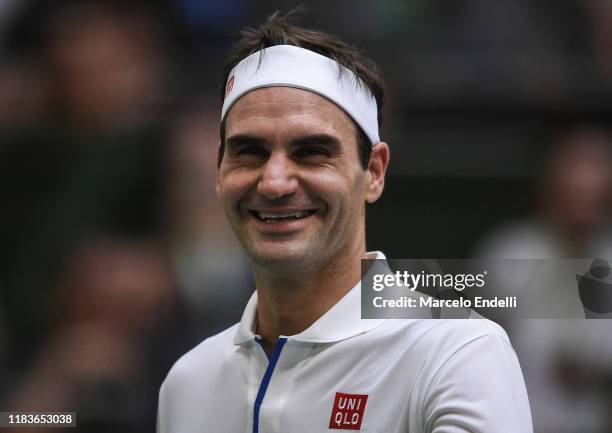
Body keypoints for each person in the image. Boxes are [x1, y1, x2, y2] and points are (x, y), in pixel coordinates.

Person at [157, 11, 533, 433]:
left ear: (373, 171)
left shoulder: (457, 353)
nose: (275, 181)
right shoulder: (186, 383)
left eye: (311, 151)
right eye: (250, 151)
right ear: (219, 170)